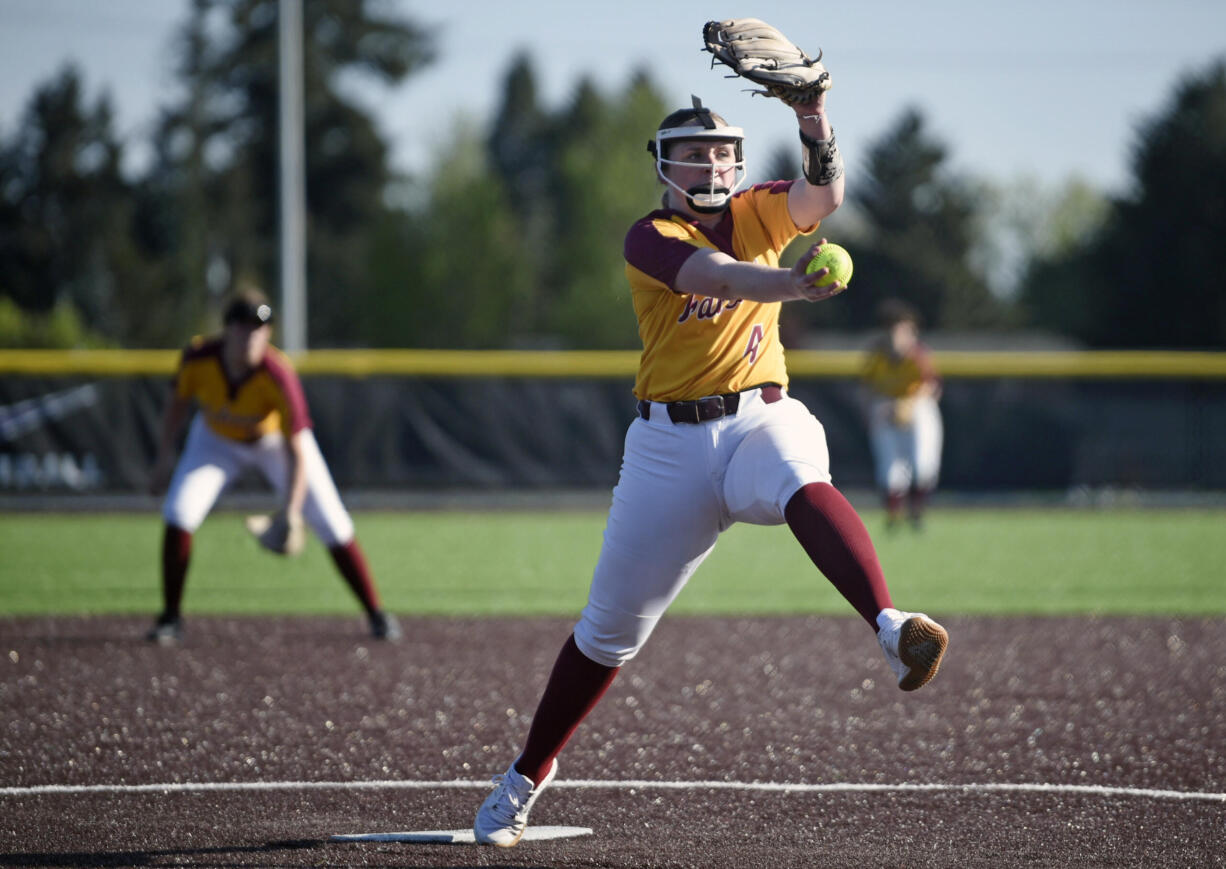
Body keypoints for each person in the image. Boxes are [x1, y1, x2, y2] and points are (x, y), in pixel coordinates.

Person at [472, 88, 949, 847]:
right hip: (670, 446)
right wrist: (793, 285)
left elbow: (824, 192)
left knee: (802, 475)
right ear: (664, 166)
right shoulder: (649, 235)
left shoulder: (761, 207)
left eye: (723, 150)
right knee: (606, 634)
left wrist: (813, 118)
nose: (713, 163)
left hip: (760, 412)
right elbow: (719, 278)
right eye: (695, 153)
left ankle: (890, 625)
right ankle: (526, 774)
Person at [145, 288, 400, 644]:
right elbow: (176, 405)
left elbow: (297, 450)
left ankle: (377, 614)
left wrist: (291, 512)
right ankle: (170, 618)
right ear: (227, 329)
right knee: (179, 513)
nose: (252, 334)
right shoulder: (199, 358)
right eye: (244, 325)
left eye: (260, 327)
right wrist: (163, 458)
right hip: (214, 441)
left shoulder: (278, 373)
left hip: (273, 443)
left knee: (332, 523)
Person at [861, 299, 944, 530]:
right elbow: (867, 388)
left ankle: (917, 513)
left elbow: (933, 386)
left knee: (923, 462)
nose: (898, 335)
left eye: (904, 329)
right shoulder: (876, 355)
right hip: (886, 407)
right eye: (894, 328)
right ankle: (893, 515)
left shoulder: (918, 354)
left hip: (917, 407)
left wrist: (910, 403)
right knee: (889, 467)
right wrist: (872, 412)